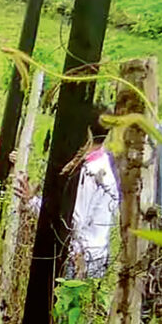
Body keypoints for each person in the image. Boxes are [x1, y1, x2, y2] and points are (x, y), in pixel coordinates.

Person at [68, 118, 120, 279]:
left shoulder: (91, 172)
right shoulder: (105, 164)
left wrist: (35, 204)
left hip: (81, 257)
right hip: (98, 251)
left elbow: (75, 221)